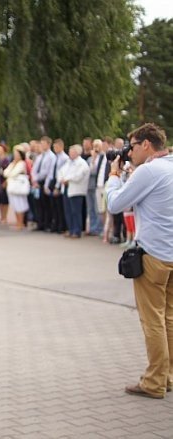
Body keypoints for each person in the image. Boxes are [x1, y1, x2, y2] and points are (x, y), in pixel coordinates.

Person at [105, 123, 173, 399]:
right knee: (169, 318)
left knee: (152, 320)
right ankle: (168, 375)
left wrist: (113, 176)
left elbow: (115, 204)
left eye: (132, 146)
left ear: (146, 144)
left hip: (155, 255)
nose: (129, 152)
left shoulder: (149, 170)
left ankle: (155, 381)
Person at [59, 144, 90, 238]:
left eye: (72, 152)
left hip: (76, 190)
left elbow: (78, 176)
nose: (70, 154)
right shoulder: (68, 162)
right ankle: (70, 229)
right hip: (66, 188)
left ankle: (77, 231)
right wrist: (62, 179)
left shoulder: (82, 163)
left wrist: (67, 179)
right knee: (68, 211)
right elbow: (60, 172)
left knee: (75, 211)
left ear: (77, 153)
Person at [2, 145, 29, 230]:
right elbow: (5, 173)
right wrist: (12, 167)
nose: (15, 156)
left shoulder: (21, 163)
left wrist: (11, 170)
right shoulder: (13, 163)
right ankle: (18, 222)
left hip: (19, 187)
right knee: (15, 205)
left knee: (20, 205)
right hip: (12, 188)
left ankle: (20, 223)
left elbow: (12, 174)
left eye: (17, 154)